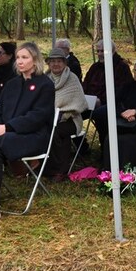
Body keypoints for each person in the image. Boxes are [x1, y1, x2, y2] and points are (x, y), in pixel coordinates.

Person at [0, 42, 54, 225]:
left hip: (31, 135)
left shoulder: (45, 85)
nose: (20, 61)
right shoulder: (13, 84)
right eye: (18, 57)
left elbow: (38, 117)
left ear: (35, 60)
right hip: (4, 130)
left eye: (25, 57)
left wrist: (7, 128)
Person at [92, 56, 136, 170]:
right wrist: (123, 113)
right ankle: (109, 171)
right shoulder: (128, 85)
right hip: (123, 122)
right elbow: (114, 103)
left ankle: (128, 173)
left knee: (129, 141)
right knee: (110, 138)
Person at [44, 47, 88, 179]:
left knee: (57, 131)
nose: (56, 64)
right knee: (45, 129)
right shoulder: (45, 79)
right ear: (48, 63)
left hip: (71, 119)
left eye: (59, 61)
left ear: (64, 63)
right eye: (52, 61)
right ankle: (45, 166)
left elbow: (80, 103)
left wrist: (63, 114)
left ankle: (60, 170)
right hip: (49, 118)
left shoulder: (72, 78)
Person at [82, 40, 133, 107]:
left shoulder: (122, 67)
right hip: (89, 102)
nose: (99, 54)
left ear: (112, 51)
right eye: (98, 51)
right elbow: (85, 84)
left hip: (110, 105)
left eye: (103, 51)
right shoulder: (94, 67)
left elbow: (121, 90)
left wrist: (101, 100)